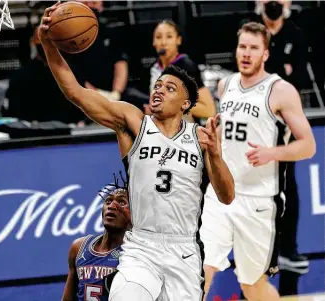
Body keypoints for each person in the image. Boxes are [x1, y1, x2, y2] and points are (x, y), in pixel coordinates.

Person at [39, 3, 235, 301]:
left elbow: (227, 195)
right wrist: (47, 43)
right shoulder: (133, 123)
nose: (159, 90)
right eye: (157, 85)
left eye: (170, 88)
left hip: (183, 251)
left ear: (186, 104)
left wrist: (217, 157)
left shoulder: (201, 137)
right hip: (141, 247)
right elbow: (75, 92)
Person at [200, 22, 316, 301]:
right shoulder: (225, 85)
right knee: (200, 270)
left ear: (265, 53)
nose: (247, 53)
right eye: (243, 47)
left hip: (259, 200)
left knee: (253, 287)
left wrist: (272, 153)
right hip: (221, 194)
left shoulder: (280, 90)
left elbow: (308, 145)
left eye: (254, 48)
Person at [254, 0, 311, 279]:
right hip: (251, 117)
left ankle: (289, 249)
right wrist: (281, 69)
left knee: (287, 182)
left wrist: (275, 70)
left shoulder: (296, 34)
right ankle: (257, 251)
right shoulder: (250, 31)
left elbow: (299, 77)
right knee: (252, 184)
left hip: (283, 119)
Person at [61, 173, 131, 301]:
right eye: (108, 201)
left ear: (133, 213)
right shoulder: (79, 247)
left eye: (121, 202)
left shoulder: (135, 255)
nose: (112, 206)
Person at [146, 20, 216, 122]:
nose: (163, 42)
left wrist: (175, 104)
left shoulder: (187, 67)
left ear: (178, 40)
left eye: (169, 37)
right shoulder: (153, 68)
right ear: (153, 42)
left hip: (185, 133)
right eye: (158, 37)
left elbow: (209, 110)